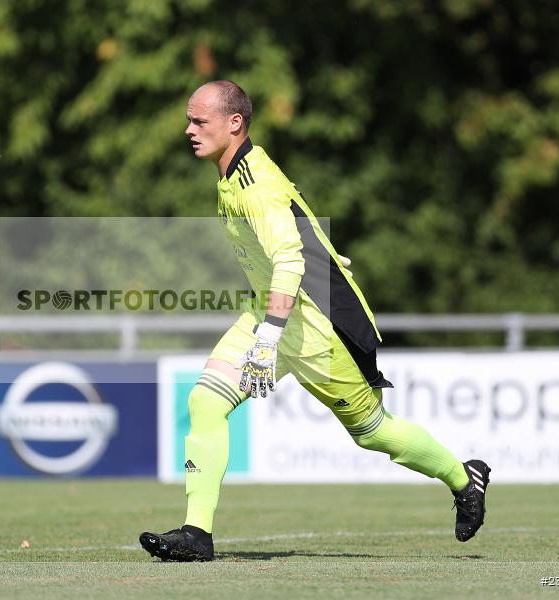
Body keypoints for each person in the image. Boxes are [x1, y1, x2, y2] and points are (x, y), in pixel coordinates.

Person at [139, 80, 490, 562]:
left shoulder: (255, 185)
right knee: (204, 403)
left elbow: (290, 262)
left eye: (199, 121)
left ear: (235, 123)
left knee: (372, 433)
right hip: (270, 313)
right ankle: (197, 535)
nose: (189, 129)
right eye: (190, 119)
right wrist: (266, 328)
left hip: (318, 326)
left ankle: (462, 476)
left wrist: (269, 337)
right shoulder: (231, 175)